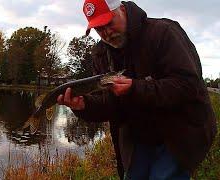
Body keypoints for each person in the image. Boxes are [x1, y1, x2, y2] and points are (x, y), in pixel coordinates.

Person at [57, 0, 217, 179]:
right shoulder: (101, 53)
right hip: (138, 136)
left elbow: (189, 86)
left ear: (123, 9)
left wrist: (135, 88)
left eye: (109, 23)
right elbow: (110, 105)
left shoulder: (163, 33)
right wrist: (84, 106)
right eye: (98, 29)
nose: (106, 33)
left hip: (179, 133)